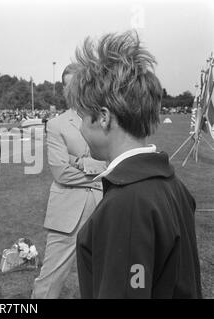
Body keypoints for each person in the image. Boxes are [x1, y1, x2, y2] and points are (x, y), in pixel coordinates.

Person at [68, 31, 202, 298]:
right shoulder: (170, 184)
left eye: (81, 117)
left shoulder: (127, 203)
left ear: (103, 117)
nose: (80, 127)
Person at [31, 64, 106, 299]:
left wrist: (82, 162)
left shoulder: (107, 118)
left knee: (105, 275)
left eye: (76, 84)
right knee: (51, 278)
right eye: (66, 85)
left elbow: (117, 162)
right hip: (68, 211)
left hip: (106, 206)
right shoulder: (56, 124)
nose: (71, 90)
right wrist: (100, 176)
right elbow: (61, 172)